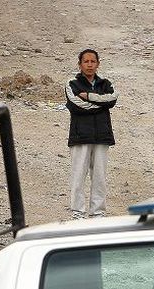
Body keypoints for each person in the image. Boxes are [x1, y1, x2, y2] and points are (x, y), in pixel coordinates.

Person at [65, 48, 118, 219]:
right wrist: (100, 103)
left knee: (100, 177)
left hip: (102, 136)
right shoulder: (72, 84)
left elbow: (112, 99)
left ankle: (98, 213)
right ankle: (77, 213)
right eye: (86, 61)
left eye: (92, 61)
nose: (89, 64)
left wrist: (88, 96)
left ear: (98, 64)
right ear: (80, 64)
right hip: (80, 136)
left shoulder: (106, 84)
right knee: (78, 176)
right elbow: (76, 105)